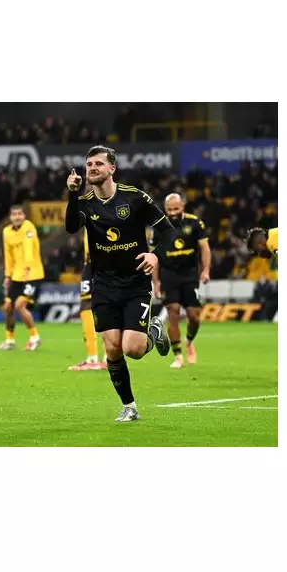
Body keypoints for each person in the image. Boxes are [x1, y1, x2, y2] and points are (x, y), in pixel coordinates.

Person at [65, 146, 175, 422]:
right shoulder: (85, 202)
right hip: (103, 284)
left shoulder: (134, 197)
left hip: (136, 282)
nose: (92, 168)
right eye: (89, 164)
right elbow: (71, 227)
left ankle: (153, 330)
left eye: (99, 163)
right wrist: (72, 194)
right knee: (112, 347)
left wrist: (155, 255)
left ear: (112, 168)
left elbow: (168, 232)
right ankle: (129, 406)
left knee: (133, 349)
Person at [151, 193, 211, 369]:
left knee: (194, 316)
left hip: (190, 275)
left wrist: (206, 270)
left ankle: (189, 341)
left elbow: (205, 248)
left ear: (183, 206)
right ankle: (177, 356)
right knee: (173, 311)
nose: (173, 213)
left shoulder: (195, 223)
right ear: (165, 209)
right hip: (168, 275)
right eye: (169, 210)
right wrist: (155, 282)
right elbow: (153, 256)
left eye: (176, 209)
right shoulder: (159, 226)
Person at [0, 205, 45, 351]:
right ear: (10, 217)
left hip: (32, 274)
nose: (17, 217)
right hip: (16, 275)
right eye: (14, 214)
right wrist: (7, 275)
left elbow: (29, 248)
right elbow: (8, 255)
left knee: (19, 305)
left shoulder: (28, 227)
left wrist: (28, 268)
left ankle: (35, 338)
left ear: (24, 216)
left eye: (20, 214)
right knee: (8, 306)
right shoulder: (6, 232)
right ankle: (10, 340)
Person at [68, 228, 106, 371]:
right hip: (91, 264)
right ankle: (102, 358)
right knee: (89, 307)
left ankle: (97, 358)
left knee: (94, 306)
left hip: (102, 262)